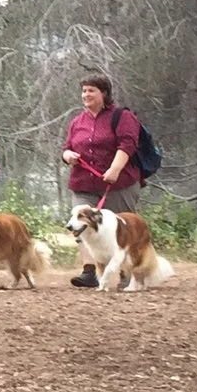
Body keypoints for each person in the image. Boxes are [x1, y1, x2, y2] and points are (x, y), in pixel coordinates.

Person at [62, 73, 144, 290]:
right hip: (83, 182)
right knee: (81, 224)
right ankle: (90, 271)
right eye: (84, 91)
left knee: (122, 228)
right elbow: (67, 147)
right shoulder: (77, 122)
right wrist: (68, 156)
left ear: (104, 94)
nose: (86, 95)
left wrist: (115, 169)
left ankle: (129, 273)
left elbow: (128, 144)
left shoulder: (121, 116)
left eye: (91, 91)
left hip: (118, 182)